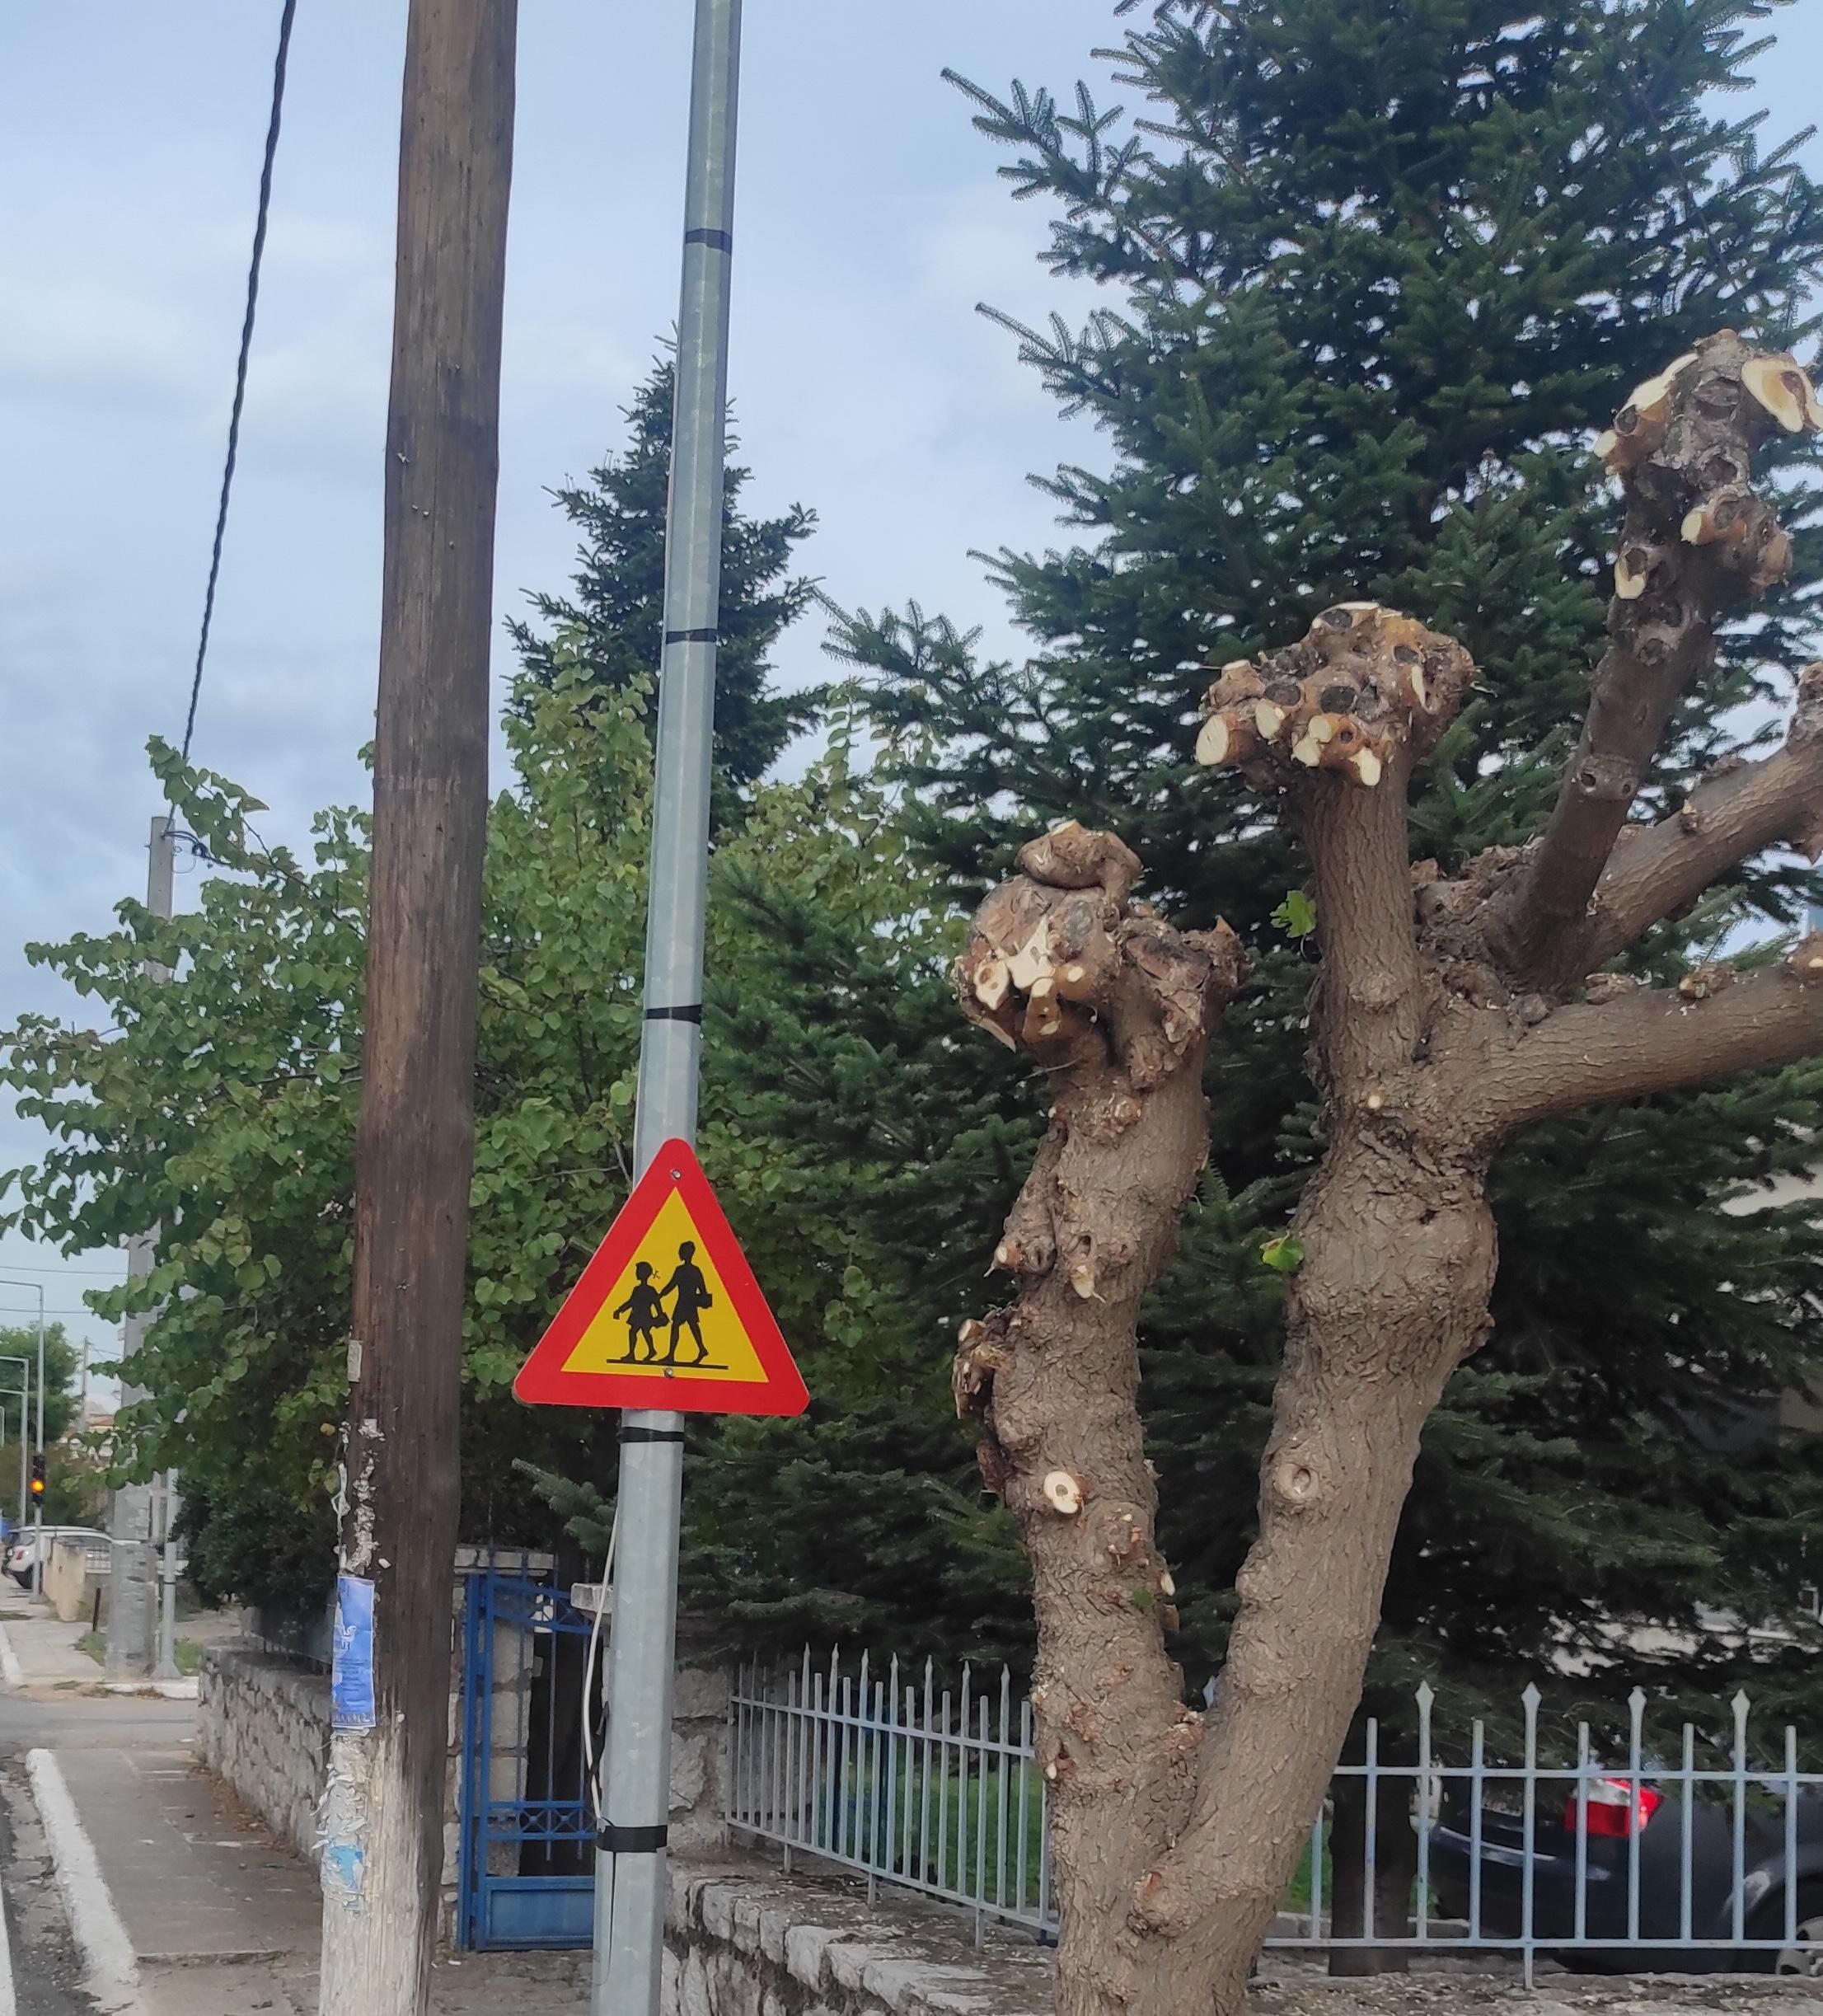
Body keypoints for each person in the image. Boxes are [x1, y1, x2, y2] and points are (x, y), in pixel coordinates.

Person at [660, 1241, 714, 1366]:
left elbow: (671, 1285)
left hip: (685, 1302)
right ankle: (701, 1349)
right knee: (692, 1326)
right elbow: (703, 1289)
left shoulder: (681, 1270)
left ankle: (672, 1355)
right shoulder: (696, 1270)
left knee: (678, 1326)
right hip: (690, 1302)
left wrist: (660, 1295)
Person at [612, 1262, 666, 1363]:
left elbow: (656, 1302)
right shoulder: (637, 1289)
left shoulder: (649, 1290)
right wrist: (620, 1310)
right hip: (637, 1315)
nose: (636, 1273)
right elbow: (631, 1302)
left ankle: (638, 1353)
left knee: (637, 1332)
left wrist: (660, 1314)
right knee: (641, 1332)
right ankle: (646, 1351)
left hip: (644, 1316)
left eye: (638, 1271)